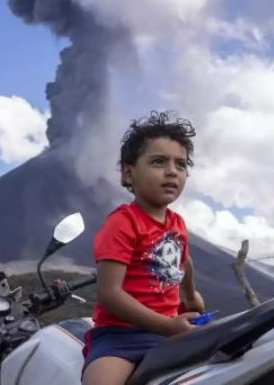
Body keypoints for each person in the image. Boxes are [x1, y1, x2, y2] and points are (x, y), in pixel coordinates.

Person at [81, 110, 205, 385]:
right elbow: (109, 294)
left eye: (181, 165)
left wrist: (190, 296)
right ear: (128, 174)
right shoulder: (123, 223)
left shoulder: (177, 223)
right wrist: (167, 325)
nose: (172, 171)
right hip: (120, 337)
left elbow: (184, 261)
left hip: (168, 331)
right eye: (158, 162)